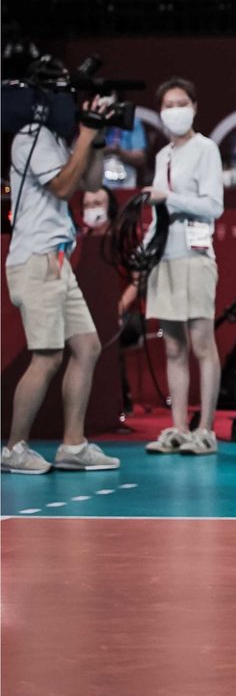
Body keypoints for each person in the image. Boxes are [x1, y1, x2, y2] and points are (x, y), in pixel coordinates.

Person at [2, 93, 120, 475]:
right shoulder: (29, 138)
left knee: (87, 347)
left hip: (56, 260)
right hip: (35, 259)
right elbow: (63, 187)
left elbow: (91, 181)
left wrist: (96, 138)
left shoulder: (54, 139)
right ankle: (14, 449)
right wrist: (85, 134)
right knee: (48, 356)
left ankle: (73, 445)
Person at [140, 78, 225, 457]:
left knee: (201, 344)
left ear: (194, 106)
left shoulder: (206, 148)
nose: (174, 109)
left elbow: (213, 207)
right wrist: (143, 253)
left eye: (181, 102)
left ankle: (205, 429)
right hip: (165, 255)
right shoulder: (163, 156)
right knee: (173, 347)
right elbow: (160, 215)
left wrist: (168, 197)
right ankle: (177, 428)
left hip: (195, 254)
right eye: (167, 104)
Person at [99, 117, 148, 189]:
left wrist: (118, 152)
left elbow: (140, 158)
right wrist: (100, 150)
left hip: (125, 183)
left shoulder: (133, 122)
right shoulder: (96, 122)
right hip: (98, 184)